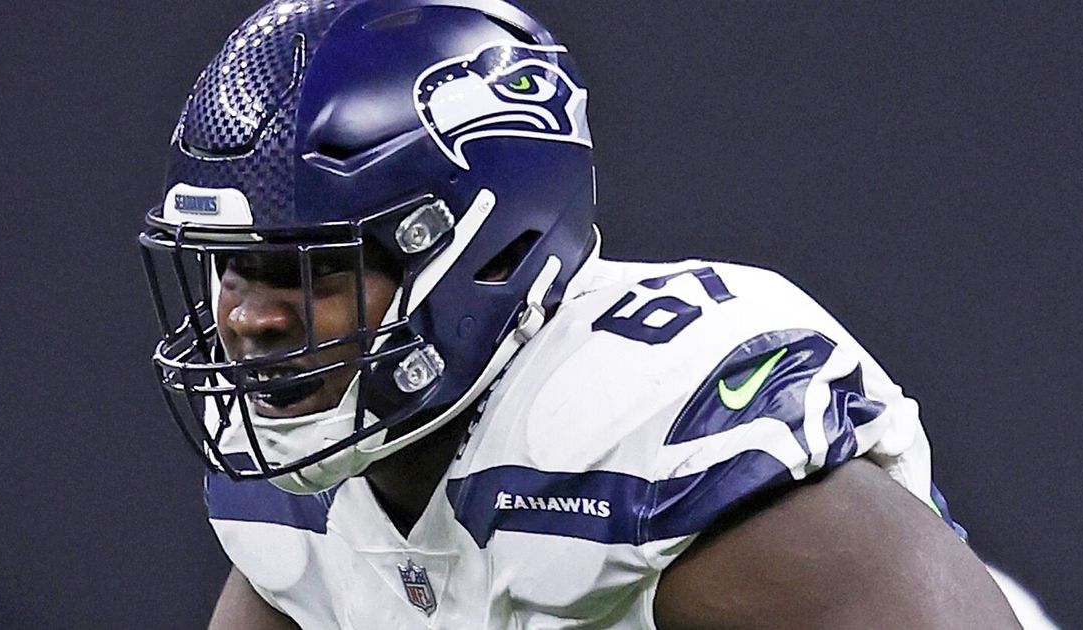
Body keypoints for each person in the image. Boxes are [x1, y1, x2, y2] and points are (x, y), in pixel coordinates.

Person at [138, 0, 1023, 627]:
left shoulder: (650, 443)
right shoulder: (301, 496)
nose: (249, 320)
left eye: (309, 270)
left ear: (477, 258)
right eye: (230, 270)